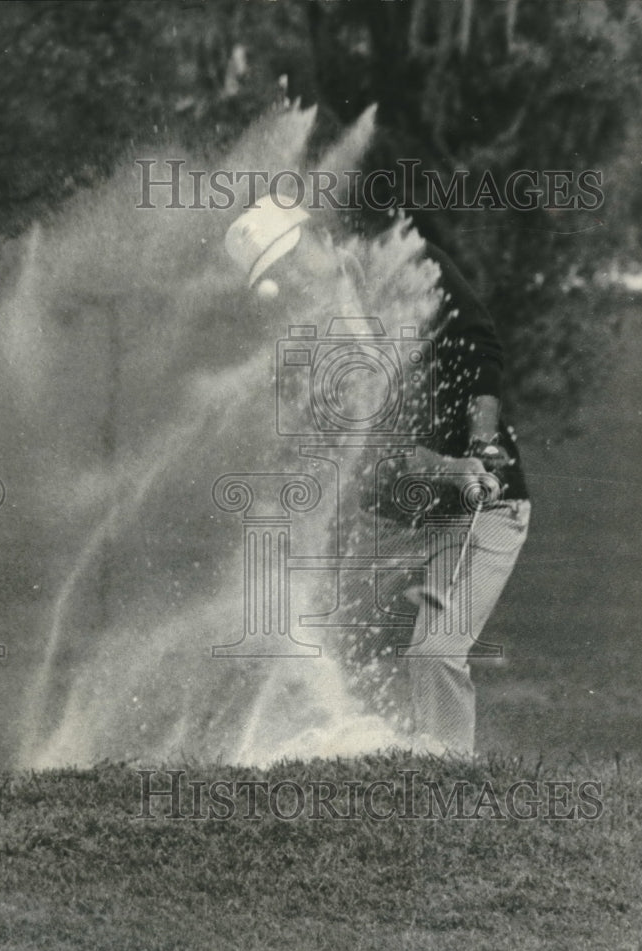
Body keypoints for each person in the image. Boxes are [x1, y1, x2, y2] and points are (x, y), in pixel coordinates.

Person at [225, 196, 531, 755]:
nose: (287, 280)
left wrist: (480, 445)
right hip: (393, 518)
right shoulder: (302, 349)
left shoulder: (407, 262)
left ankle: (445, 782)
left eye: (288, 262)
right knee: (330, 642)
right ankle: (361, 760)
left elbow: (481, 347)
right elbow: (377, 456)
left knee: (435, 652)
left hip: (485, 512)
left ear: (317, 238)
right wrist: (448, 468)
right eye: (272, 276)